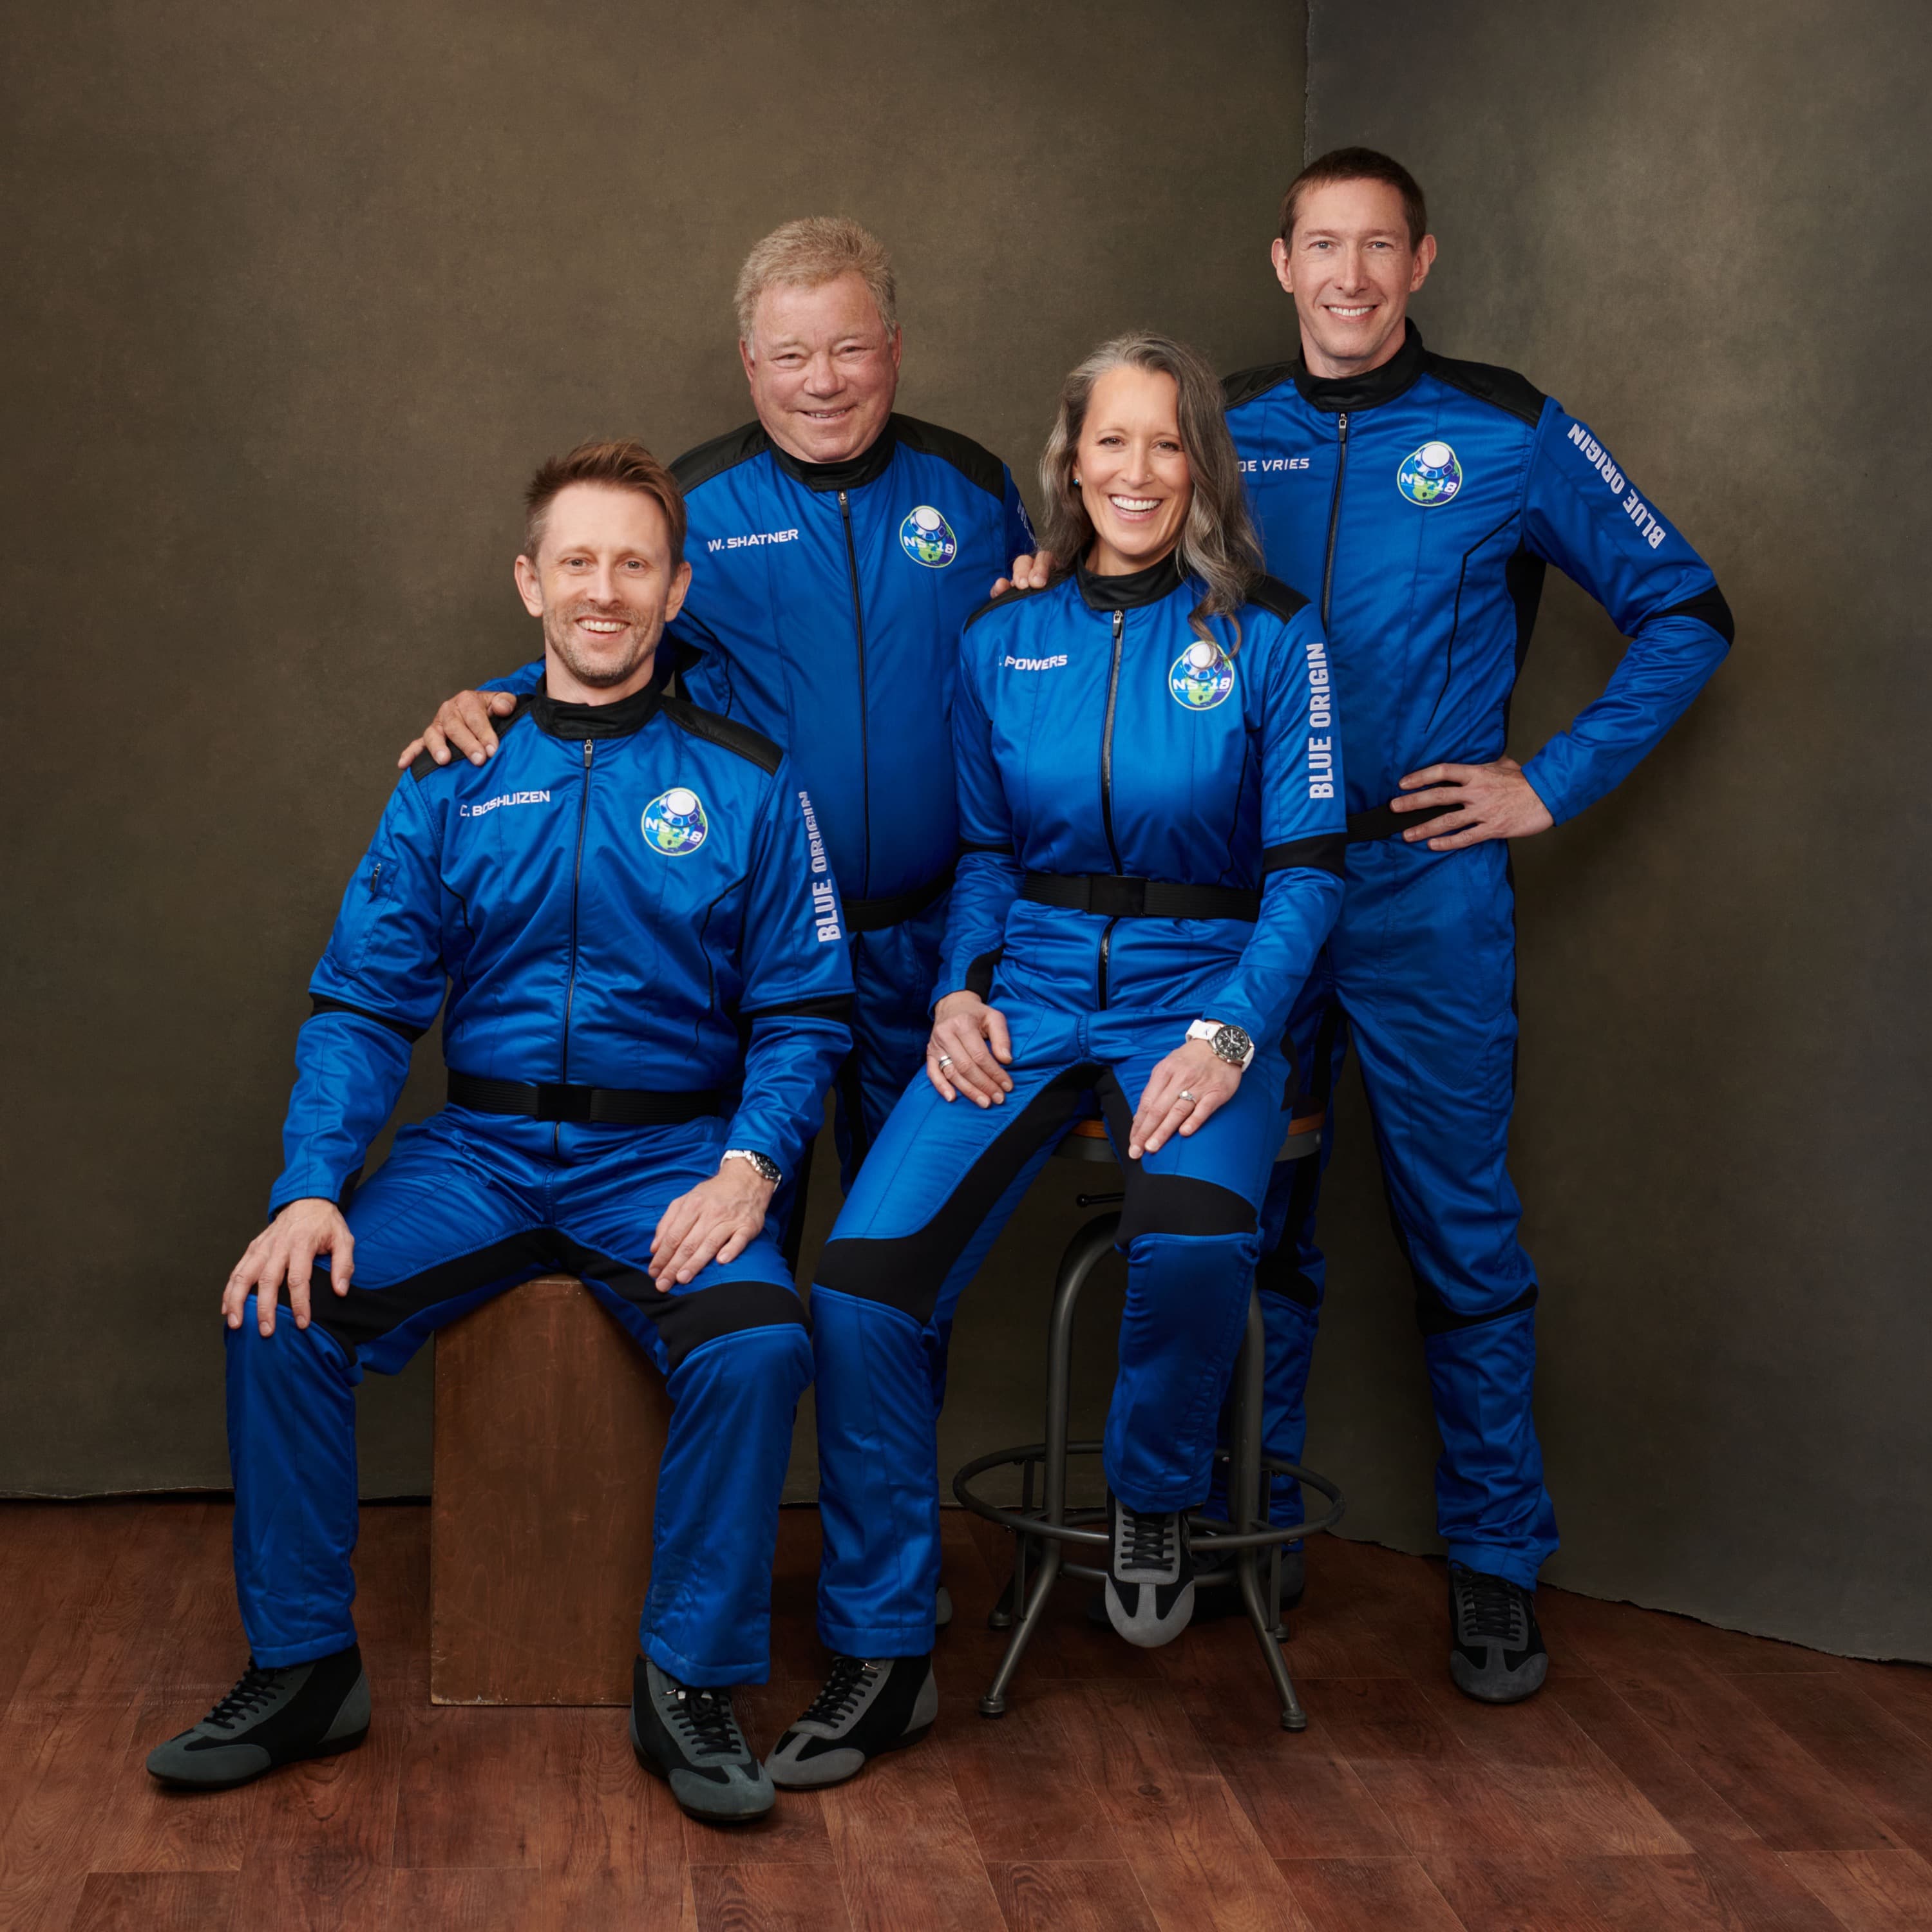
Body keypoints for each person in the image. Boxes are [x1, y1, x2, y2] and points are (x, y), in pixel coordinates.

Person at [1007, 149, 1734, 1703]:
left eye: (1378, 248)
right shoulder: (1226, 434)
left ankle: (1492, 1569)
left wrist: (1552, 779)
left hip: (1418, 890)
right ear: (1280, 261)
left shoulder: (1505, 429)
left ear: (1421, 264)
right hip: (1243, 896)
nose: (1348, 276)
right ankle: (1231, 1529)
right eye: (1321, 246)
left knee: (1459, 1232)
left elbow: (1688, 606)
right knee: (1237, 1220)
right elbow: (1100, 577)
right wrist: (1042, 575)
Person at [144, 440, 853, 1825]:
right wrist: (307, 1188)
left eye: (633, 564)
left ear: (677, 586)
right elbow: (360, 1005)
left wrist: (749, 1167)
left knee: (763, 1343)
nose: (605, 591)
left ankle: (688, 1685)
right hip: (477, 1158)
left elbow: (807, 1016)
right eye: (577, 562)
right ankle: (302, 1672)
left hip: (665, 1159)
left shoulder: (753, 784)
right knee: (278, 1313)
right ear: (530, 582)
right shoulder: (454, 770)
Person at [758, 332, 1347, 1790]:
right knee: (860, 1284)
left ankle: (1157, 1497)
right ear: (1068, 466)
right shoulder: (1002, 639)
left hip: (1198, 990)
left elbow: (1314, 876)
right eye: (1111, 444)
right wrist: (959, 988)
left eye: (1167, 445)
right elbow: (985, 853)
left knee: (1200, 1240)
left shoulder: (1273, 635)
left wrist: (1228, 1032)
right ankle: (886, 1653)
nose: (1137, 472)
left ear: (1199, 467)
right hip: (1026, 994)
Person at [403, 218, 1036, 1210]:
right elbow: (608, 626)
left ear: (895, 350)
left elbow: (1057, 650)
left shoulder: (975, 490)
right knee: (738, 1237)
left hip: (932, 942)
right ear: (751, 365)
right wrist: (495, 697)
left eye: (849, 348)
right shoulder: (699, 502)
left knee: (903, 1267)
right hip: (755, 954)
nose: (821, 380)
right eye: (790, 355)